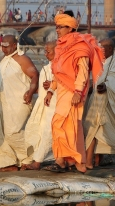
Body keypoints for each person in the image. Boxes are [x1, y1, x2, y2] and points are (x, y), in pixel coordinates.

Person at [44, 13, 104, 173]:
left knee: (63, 124)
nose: (57, 30)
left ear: (70, 28)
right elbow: (58, 72)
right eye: (56, 27)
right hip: (62, 91)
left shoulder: (80, 46)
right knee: (64, 125)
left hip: (74, 92)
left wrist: (78, 91)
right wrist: (51, 90)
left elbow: (83, 72)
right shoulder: (60, 47)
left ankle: (67, 161)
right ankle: (67, 160)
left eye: (60, 27)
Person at [0, 35, 39, 171]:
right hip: (2, 102)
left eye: (6, 46)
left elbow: (34, 75)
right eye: (2, 46)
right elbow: (2, 79)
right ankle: (10, 162)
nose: (3, 49)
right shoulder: (4, 60)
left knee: (13, 132)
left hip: (20, 101)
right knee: (2, 131)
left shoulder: (22, 59)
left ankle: (30, 158)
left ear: (14, 45)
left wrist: (30, 92)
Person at [23, 41, 57, 170]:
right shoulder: (45, 68)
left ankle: (38, 161)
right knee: (35, 130)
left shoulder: (60, 67)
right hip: (42, 105)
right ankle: (35, 157)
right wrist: (33, 90)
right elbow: (42, 87)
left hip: (54, 105)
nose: (45, 54)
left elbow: (64, 84)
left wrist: (53, 86)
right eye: (45, 51)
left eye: (48, 51)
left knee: (48, 132)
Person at [83, 38, 115, 168]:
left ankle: (95, 161)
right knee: (92, 130)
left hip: (108, 103)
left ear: (110, 49)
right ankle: (90, 162)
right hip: (96, 102)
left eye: (102, 48)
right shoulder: (99, 62)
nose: (100, 50)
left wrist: (107, 86)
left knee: (104, 131)